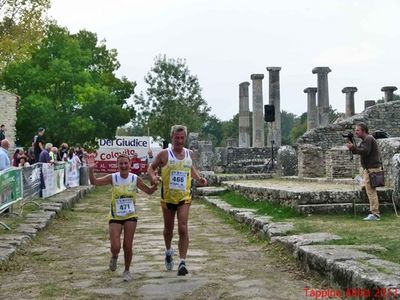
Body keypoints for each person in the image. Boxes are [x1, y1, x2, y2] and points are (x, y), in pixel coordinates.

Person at [148, 125, 207, 276]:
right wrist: (154, 177)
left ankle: (182, 262)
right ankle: (168, 251)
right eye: (176, 138)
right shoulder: (164, 154)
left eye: (182, 138)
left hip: (184, 197)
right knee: (168, 229)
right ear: (172, 137)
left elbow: (190, 168)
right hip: (167, 197)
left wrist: (199, 178)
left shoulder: (189, 153)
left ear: (185, 138)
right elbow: (151, 167)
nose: (179, 141)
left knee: (183, 227)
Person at [88, 153, 157, 281]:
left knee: (128, 245)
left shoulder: (134, 178)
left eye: (126, 163)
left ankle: (127, 270)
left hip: (131, 215)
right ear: (117, 165)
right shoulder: (113, 178)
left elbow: (148, 191)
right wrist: (91, 169)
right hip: (115, 216)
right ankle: (114, 256)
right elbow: (94, 182)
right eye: (121, 163)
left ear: (130, 165)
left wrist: (156, 183)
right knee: (116, 246)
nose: (124, 166)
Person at [347, 122, 382, 221]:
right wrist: (352, 147)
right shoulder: (365, 140)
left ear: (363, 130)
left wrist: (353, 147)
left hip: (372, 169)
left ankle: (375, 214)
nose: (356, 132)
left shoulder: (368, 139)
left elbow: (365, 151)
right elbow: (359, 150)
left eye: (357, 130)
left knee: (371, 191)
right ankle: (373, 212)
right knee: (367, 188)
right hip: (368, 169)